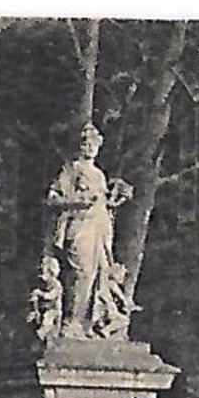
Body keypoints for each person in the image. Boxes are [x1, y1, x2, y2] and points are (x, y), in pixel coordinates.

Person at [46, 123, 131, 339]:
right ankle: (71, 322)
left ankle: (92, 324)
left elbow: (103, 203)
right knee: (80, 272)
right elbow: (52, 198)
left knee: (100, 275)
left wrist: (116, 199)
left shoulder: (99, 175)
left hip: (100, 227)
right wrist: (77, 201)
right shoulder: (72, 169)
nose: (90, 148)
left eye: (94, 145)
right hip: (79, 225)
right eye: (86, 144)